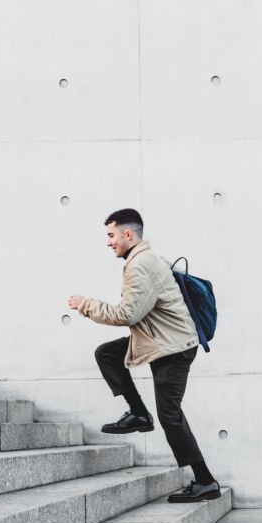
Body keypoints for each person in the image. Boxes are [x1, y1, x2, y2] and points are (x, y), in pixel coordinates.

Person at [67, 208, 219, 503]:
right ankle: (138, 413)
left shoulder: (140, 265)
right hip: (159, 341)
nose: (109, 242)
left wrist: (85, 304)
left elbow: (127, 314)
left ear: (128, 234)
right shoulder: (146, 259)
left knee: (170, 416)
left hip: (172, 348)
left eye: (111, 235)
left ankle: (205, 481)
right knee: (108, 354)